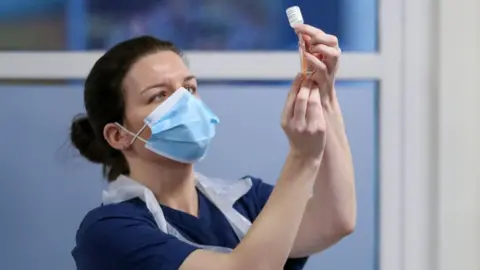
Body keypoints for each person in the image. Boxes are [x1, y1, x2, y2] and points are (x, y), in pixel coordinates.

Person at [70, 24, 356, 270]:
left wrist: (325, 94)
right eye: (160, 96)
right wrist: (303, 158)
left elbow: (335, 221)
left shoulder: (247, 201)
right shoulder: (109, 232)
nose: (185, 103)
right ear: (118, 135)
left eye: (189, 88)